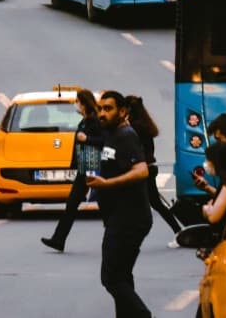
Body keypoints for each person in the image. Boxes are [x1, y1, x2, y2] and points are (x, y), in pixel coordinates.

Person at [85, 91, 152, 317]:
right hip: (118, 217)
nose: (102, 113)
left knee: (111, 277)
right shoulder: (109, 134)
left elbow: (142, 170)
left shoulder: (126, 135)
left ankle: (142, 315)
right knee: (122, 275)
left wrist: (108, 184)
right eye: (100, 108)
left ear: (122, 112)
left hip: (130, 218)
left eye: (108, 108)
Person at [41, 89, 103, 252]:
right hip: (84, 166)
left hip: (91, 166)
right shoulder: (85, 120)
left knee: (104, 203)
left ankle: (116, 236)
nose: (76, 104)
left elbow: (103, 141)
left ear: (83, 103)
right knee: (72, 204)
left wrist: (87, 139)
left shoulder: (94, 121)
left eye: (78, 101)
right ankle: (58, 239)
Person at [125, 95, 182, 238]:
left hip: (143, 169)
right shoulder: (143, 123)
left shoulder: (134, 127)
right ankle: (177, 230)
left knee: (147, 203)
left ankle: (177, 230)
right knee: (153, 203)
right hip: (149, 167)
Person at [200, 142, 226, 225]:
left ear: (216, 162)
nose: (206, 163)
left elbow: (213, 218)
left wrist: (206, 209)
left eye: (208, 160)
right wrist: (207, 187)